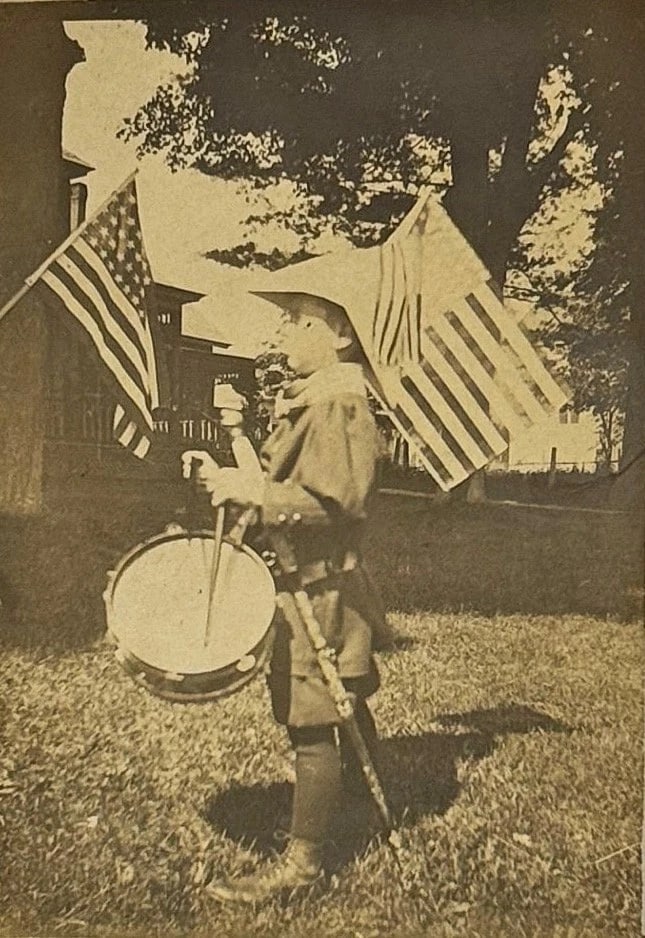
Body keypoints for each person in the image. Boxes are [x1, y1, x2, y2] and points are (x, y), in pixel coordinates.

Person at [184, 293, 390, 906]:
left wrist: (248, 490)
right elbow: (280, 483)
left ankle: (303, 863)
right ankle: (357, 804)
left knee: (312, 720)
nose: (287, 330)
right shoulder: (316, 400)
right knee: (334, 698)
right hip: (308, 579)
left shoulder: (338, 402)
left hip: (320, 586)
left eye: (302, 322)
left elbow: (335, 502)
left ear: (343, 338)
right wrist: (232, 457)